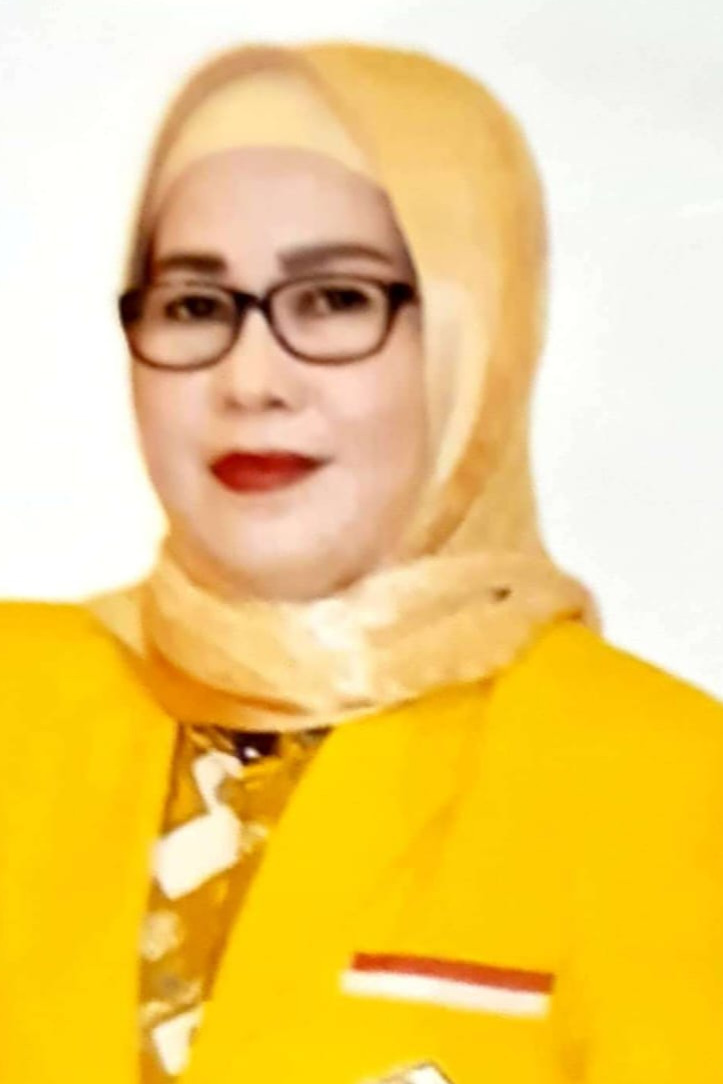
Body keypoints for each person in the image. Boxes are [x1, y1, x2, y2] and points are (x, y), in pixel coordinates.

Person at [0, 40, 721, 1084]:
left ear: (474, 333)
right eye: (194, 304)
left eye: (334, 300)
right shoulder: (19, 697)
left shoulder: (658, 783)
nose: (251, 379)